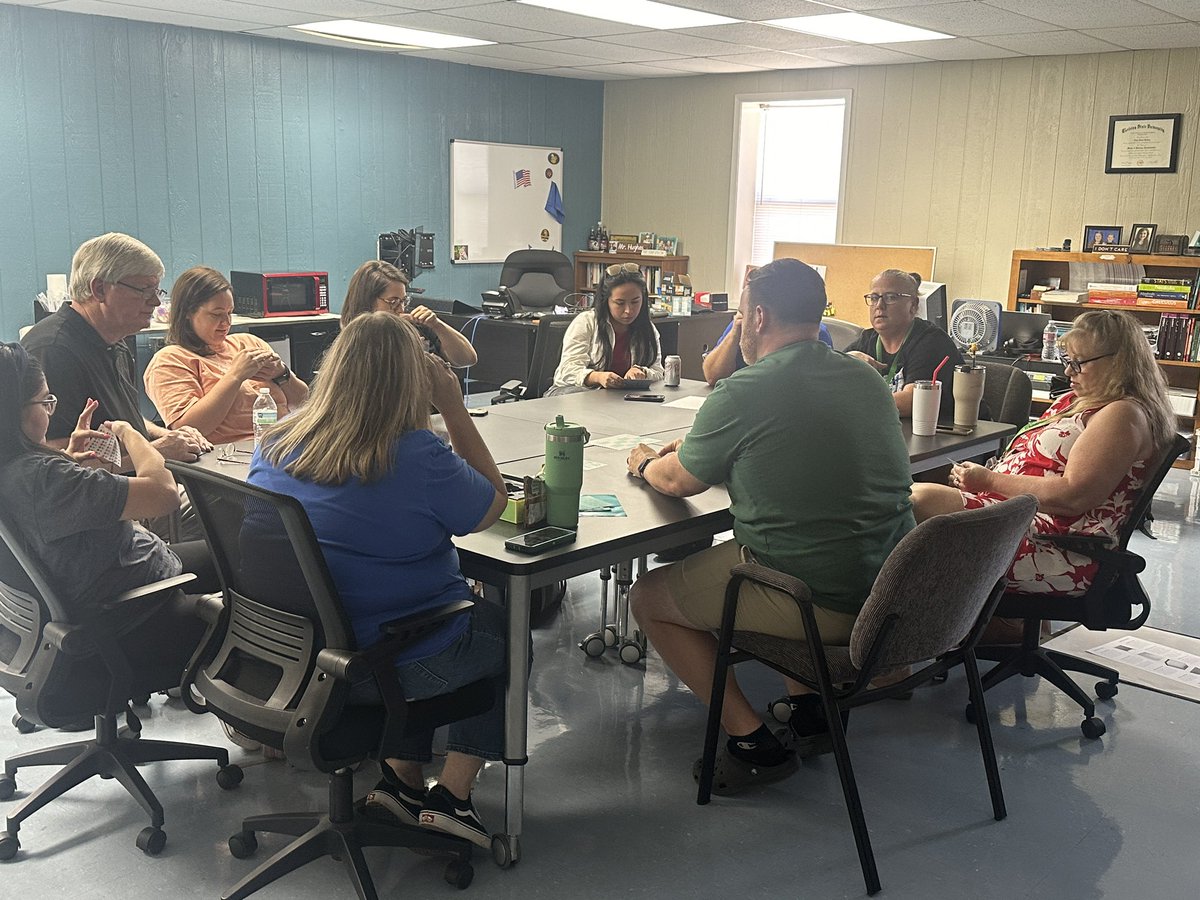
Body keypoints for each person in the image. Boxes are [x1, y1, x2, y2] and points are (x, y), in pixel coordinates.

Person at [625, 259, 914, 794]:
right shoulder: (866, 378)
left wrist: (643, 461)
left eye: (738, 317)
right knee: (795, 541)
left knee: (648, 598)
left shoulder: (744, 391)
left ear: (757, 318)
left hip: (816, 598)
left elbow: (678, 481)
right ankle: (810, 714)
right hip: (887, 586)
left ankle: (750, 741)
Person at [247, 312, 508, 848]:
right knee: (498, 629)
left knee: (405, 621)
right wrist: (453, 406)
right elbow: (491, 505)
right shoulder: (417, 455)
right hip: (378, 663)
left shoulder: (274, 443)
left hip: (298, 657)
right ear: (413, 381)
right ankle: (453, 800)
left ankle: (403, 783)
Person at [0, 343, 217, 704]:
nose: (51, 411)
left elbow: (40, 502)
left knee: (217, 557)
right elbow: (163, 494)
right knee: (242, 579)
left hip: (66, 616)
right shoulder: (45, 479)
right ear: (13, 411)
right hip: (122, 619)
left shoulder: (22, 470)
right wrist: (133, 434)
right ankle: (251, 718)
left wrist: (68, 461)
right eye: (45, 402)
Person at [912, 309, 1175, 604]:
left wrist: (989, 479)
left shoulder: (1122, 414)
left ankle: (918, 626)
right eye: (1068, 362)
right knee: (902, 503)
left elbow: (1073, 496)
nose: (1068, 372)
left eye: (1078, 363)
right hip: (1022, 522)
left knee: (916, 501)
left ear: (1119, 362)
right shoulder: (1084, 401)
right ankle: (948, 624)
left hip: (1059, 546)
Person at [21, 233, 210, 466]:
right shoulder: (52, 350)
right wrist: (154, 452)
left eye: (157, 291)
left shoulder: (114, 339)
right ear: (99, 289)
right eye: (144, 290)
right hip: (97, 496)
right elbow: (49, 453)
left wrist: (164, 435)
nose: (156, 302)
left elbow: (122, 420)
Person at [143, 266, 309, 444]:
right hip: (227, 457)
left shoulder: (249, 343)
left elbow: (305, 405)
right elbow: (190, 430)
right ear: (188, 314)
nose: (226, 322)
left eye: (229, 313)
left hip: (283, 444)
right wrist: (235, 376)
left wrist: (283, 374)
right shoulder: (171, 360)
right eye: (216, 315)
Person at [844, 269, 963, 419]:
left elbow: (910, 403)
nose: (879, 305)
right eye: (874, 298)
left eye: (891, 297)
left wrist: (852, 404)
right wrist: (849, 358)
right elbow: (828, 380)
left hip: (949, 436)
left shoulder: (930, 341)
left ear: (913, 305)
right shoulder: (868, 340)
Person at [549, 262, 664, 394]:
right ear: (606, 301)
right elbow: (565, 372)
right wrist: (597, 377)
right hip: (577, 394)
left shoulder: (648, 328)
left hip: (620, 399)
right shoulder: (586, 322)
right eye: (619, 303)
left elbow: (659, 372)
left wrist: (642, 372)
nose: (628, 310)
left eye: (635, 301)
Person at [340, 260, 478, 368]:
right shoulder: (353, 342)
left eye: (403, 301)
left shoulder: (415, 326)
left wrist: (437, 325)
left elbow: (468, 359)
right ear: (367, 300)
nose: (400, 309)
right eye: (392, 302)